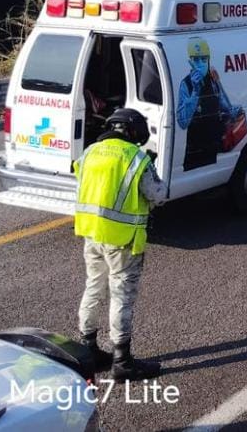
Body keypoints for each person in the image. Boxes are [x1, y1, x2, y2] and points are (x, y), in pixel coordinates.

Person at [74, 108, 166, 381]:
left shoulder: (90, 152)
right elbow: (158, 195)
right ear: (133, 131)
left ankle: (88, 349)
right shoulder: (136, 159)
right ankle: (122, 361)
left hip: (91, 233)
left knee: (93, 288)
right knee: (121, 298)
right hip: (123, 241)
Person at [177, 37, 243, 171]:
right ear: (190, 62)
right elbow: (182, 121)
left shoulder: (213, 81)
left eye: (204, 59)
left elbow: (225, 106)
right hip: (194, 150)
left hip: (213, 146)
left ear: (208, 60)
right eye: (196, 60)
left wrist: (235, 111)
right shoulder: (186, 84)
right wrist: (195, 92)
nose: (200, 63)